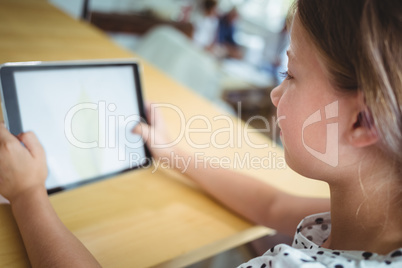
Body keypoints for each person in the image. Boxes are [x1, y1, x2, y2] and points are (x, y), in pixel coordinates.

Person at [0, 0, 401, 267]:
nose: (276, 93)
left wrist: (28, 194)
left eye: (290, 74)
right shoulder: (378, 209)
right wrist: (174, 152)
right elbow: (276, 204)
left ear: (361, 122)